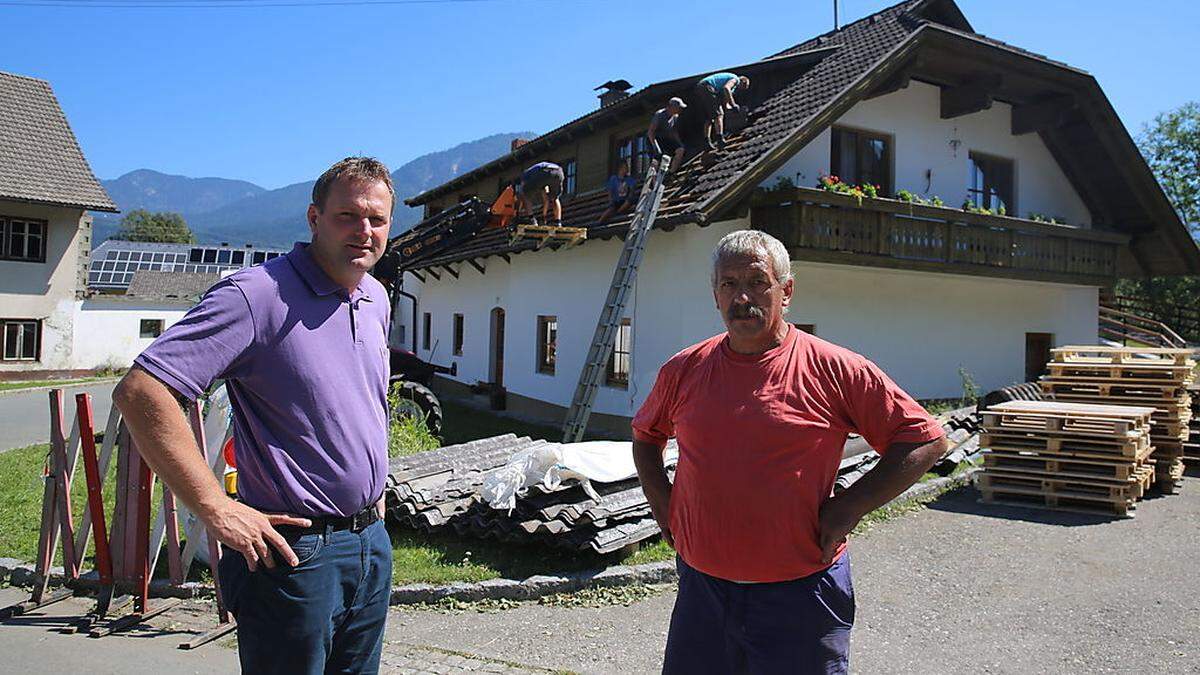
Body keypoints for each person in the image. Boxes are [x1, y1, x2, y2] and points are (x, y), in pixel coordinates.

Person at [113, 157, 396, 674]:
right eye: (347, 216)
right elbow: (142, 390)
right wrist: (215, 507)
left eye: (377, 220)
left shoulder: (375, 296)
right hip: (294, 556)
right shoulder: (256, 296)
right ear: (314, 219)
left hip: (370, 544)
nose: (364, 231)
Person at [632, 230, 948, 674]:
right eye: (728, 284)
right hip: (703, 590)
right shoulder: (685, 369)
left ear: (787, 290)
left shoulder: (835, 368)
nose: (742, 297)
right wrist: (663, 506)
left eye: (757, 282)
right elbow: (646, 436)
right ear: (715, 295)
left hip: (800, 592)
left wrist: (850, 507)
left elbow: (925, 438)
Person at [695, 72, 750, 150]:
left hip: (700, 87)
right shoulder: (735, 79)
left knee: (709, 118)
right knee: (719, 115)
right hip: (708, 87)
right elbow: (726, 88)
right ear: (743, 82)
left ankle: (707, 141)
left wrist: (729, 108)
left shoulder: (728, 83)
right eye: (744, 87)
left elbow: (725, 98)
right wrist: (734, 105)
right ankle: (720, 139)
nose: (741, 89)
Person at [514, 161, 565, 227]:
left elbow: (521, 195)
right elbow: (546, 199)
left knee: (525, 195)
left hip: (543, 172)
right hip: (558, 171)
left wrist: (517, 213)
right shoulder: (535, 174)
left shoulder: (524, 176)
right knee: (555, 198)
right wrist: (544, 217)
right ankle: (558, 222)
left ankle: (532, 220)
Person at [648, 96, 687, 172]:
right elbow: (651, 132)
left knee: (680, 150)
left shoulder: (675, 117)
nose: (680, 110)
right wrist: (655, 146)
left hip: (665, 139)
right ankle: (654, 181)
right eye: (678, 107)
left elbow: (674, 132)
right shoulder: (659, 115)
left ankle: (671, 172)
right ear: (672, 107)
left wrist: (679, 144)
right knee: (656, 158)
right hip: (654, 139)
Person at [597, 159, 637, 224]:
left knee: (630, 201)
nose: (627, 169)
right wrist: (611, 201)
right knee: (611, 208)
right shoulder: (614, 179)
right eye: (625, 167)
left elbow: (632, 191)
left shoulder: (629, 179)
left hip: (625, 200)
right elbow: (610, 191)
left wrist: (630, 194)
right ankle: (599, 222)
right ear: (620, 169)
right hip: (617, 201)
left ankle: (618, 212)